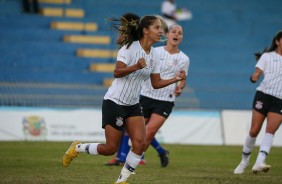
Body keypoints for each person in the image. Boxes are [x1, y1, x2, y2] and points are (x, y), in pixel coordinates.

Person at [62, 15, 186, 184]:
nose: (161, 31)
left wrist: (175, 79)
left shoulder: (155, 55)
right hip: (114, 102)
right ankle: (77, 147)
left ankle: (122, 181)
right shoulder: (129, 48)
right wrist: (135, 66)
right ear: (145, 30)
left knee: (140, 143)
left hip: (133, 104)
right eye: (157, 28)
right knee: (110, 149)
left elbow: (156, 83)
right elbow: (117, 72)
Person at [107, 24, 190, 168]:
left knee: (149, 131)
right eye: (174, 31)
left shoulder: (184, 59)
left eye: (180, 33)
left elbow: (183, 79)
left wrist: (180, 87)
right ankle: (140, 155)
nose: (177, 34)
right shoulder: (155, 52)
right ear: (167, 34)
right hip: (146, 96)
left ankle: (130, 160)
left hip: (165, 100)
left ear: (181, 37)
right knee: (131, 130)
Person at [234, 30, 282, 174]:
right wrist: (255, 76)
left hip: (280, 99)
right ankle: (244, 161)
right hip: (263, 95)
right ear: (277, 42)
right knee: (254, 130)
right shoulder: (267, 57)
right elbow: (258, 71)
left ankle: (260, 161)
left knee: (271, 130)